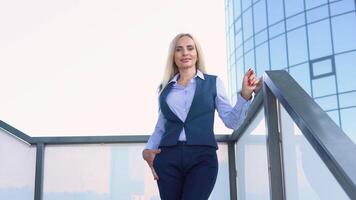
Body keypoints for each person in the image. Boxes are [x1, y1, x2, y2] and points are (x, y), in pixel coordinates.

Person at [142, 33, 260, 200]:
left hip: (202, 158)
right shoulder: (164, 88)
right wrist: (147, 151)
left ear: (197, 54)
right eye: (179, 49)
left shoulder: (213, 82)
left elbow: (232, 121)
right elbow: (161, 127)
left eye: (190, 48)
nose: (185, 53)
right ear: (173, 57)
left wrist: (245, 96)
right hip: (168, 158)